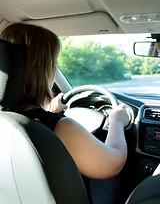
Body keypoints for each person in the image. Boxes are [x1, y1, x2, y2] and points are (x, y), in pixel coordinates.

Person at [0, 23, 129, 204]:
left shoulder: (7, 121)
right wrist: (116, 121)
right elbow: (113, 163)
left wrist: (46, 114)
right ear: (44, 70)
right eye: (54, 63)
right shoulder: (61, 128)